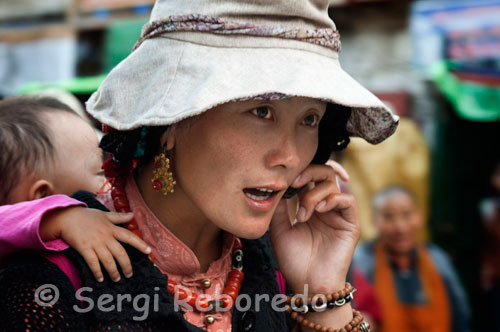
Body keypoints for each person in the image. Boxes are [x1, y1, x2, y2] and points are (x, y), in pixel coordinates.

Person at [0, 1, 399, 331]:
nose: (291, 157)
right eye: (261, 111)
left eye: (309, 119)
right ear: (170, 119)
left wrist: (320, 292)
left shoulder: (280, 270)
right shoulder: (50, 284)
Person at [0, 96, 151, 278]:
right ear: (43, 196)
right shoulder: (30, 275)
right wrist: (58, 217)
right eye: (100, 173)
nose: (111, 182)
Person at [353, 186, 471, 332]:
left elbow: (460, 316)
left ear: (420, 216)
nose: (400, 227)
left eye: (407, 215)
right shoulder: (362, 262)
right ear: (374, 220)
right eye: (388, 217)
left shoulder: (438, 260)